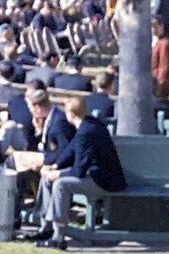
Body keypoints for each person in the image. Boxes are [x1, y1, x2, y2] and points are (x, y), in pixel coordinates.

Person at [26, 97, 126, 249]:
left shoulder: (87, 132)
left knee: (61, 184)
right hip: (92, 174)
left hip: (104, 181)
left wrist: (58, 174)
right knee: (47, 177)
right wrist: (55, 166)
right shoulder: (87, 124)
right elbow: (70, 150)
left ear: (71, 114)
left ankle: (58, 238)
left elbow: (79, 170)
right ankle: (46, 227)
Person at [150, 20, 169, 96]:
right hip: (153, 81)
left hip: (160, 84)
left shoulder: (165, 43)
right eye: (152, 27)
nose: (154, 30)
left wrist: (160, 84)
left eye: (156, 27)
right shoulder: (155, 41)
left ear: (162, 26)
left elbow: (164, 66)